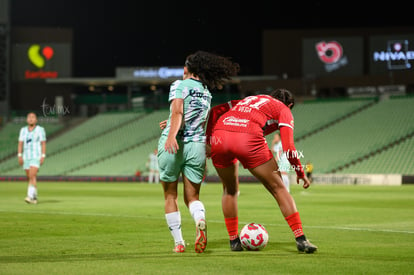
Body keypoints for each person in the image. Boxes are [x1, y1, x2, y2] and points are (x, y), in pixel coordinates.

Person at [206, 88, 318, 253]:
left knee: (229, 190)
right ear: (290, 105)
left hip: (220, 136)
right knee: (279, 187)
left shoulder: (251, 99)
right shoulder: (283, 109)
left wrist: (208, 140)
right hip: (248, 138)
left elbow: (215, 110)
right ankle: (301, 239)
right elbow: (288, 148)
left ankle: (234, 241)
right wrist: (300, 172)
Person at [158, 50, 240, 253]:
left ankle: (178, 243)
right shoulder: (206, 92)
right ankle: (200, 219)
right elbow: (197, 119)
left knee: (170, 196)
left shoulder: (179, 84)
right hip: (197, 146)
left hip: (174, 144)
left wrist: (171, 134)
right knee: (192, 197)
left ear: (186, 69)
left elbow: (178, 111)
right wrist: (171, 123)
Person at [17, 112, 46, 204]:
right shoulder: (23, 130)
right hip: (26, 157)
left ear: (36, 120)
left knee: (32, 175)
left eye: (33, 117)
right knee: (30, 177)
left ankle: (29, 196)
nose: (31, 119)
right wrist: (19, 155)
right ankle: (34, 197)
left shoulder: (40, 130)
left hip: (35, 156)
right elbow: (20, 143)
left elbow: (43, 143)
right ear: (26, 119)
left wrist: (43, 155)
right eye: (29, 117)